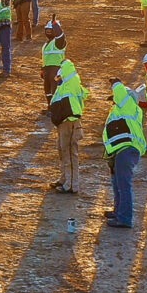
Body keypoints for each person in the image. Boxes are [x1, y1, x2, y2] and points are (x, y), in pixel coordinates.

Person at [102, 78, 146, 228]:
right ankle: (118, 211)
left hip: (125, 149)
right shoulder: (125, 109)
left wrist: (117, 83)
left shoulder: (128, 105)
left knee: (123, 184)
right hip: (120, 150)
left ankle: (125, 218)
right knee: (117, 183)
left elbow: (122, 95)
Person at [48, 59, 88, 194]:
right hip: (64, 124)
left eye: (59, 77)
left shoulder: (71, 83)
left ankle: (71, 185)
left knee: (70, 153)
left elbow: (68, 69)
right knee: (62, 151)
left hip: (69, 123)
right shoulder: (64, 87)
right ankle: (64, 178)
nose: (57, 80)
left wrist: (64, 64)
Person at [40, 16, 68, 100]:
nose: (48, 31)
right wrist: (42, 69)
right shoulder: (46, 44)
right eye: (47, 29)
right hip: (47, 70)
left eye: (50, 29)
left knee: (56, 91)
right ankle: (50, 107)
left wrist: (55, 25)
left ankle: (55, 109)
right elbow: (45, 58)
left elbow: (60, 36)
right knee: (47, 90)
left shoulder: (58, 43)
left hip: (56, 70)